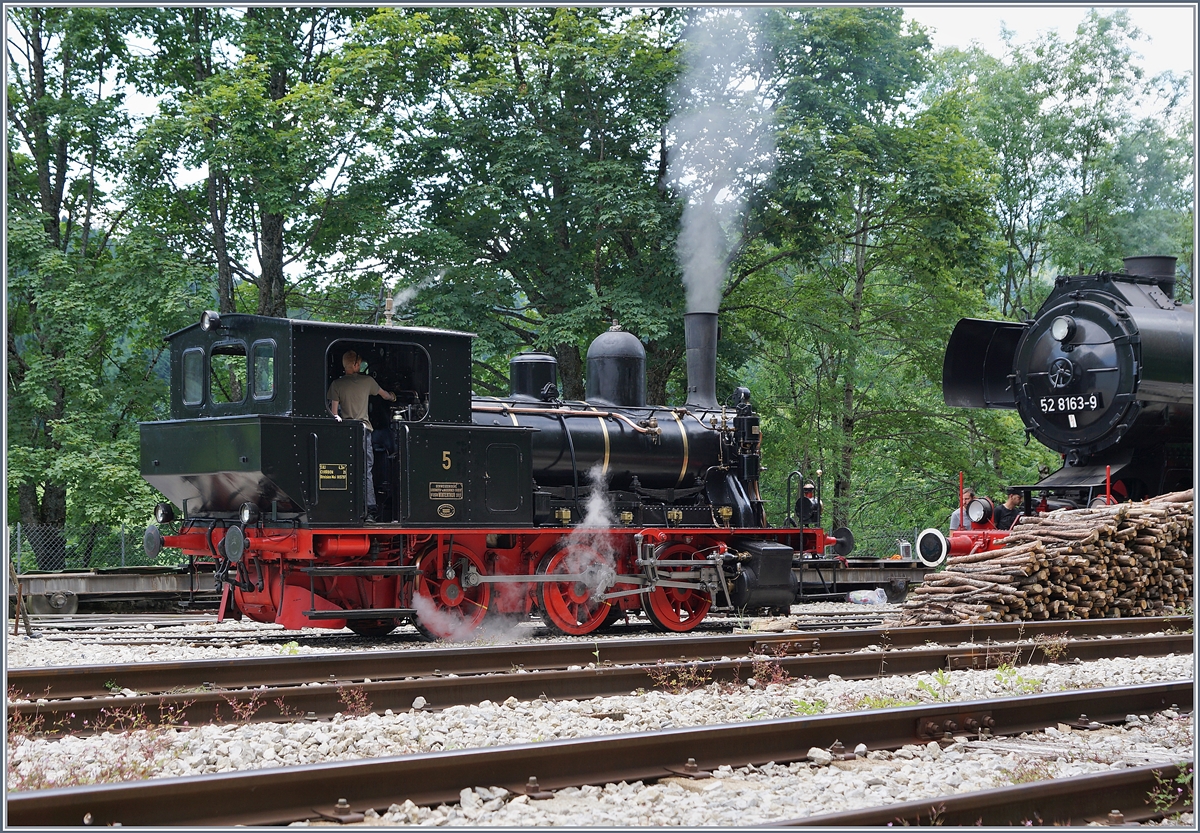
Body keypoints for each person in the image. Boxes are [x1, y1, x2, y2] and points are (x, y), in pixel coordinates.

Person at [328, 350, 396, 522]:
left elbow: (334, 413)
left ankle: (345, 507)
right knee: (366, 470)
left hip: (344, 433)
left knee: (342, 471)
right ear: (356, 365)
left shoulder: (336, 384)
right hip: (363, 431)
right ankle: (370, 510)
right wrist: (393, 397)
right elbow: (385, 395)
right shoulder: (368, 382)